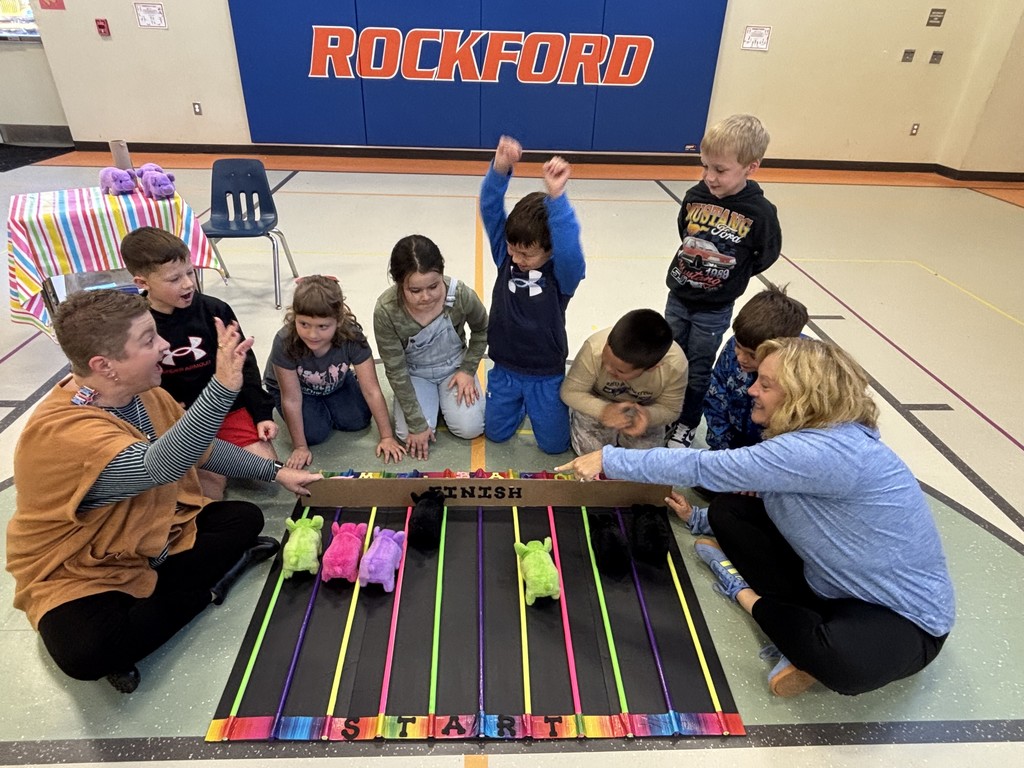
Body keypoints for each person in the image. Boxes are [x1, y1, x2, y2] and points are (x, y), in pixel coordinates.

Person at [557, 338, 954, 698]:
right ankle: (798, 633)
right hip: (828, 581)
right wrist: (698, 517)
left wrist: (610, 458)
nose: (751, 390)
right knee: (730, 511)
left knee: (843, 667)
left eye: (765, 384)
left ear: (802, 394)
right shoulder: (813, 437)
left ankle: (744, 594)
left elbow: (702, 467)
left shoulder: (822, 451)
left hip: (900, 617)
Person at [6, 290, 320, 694]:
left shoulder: (146, 393)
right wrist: (223, 385)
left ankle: (157, 608)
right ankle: (203, 593)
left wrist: (275, 472)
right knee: (86, 654)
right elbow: (163, 464)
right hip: (81, 566)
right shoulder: (65, 434)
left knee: (244, 518)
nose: (164, 346)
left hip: (155, 535)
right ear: (105, 366)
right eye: (149, 340)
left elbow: (201, 447)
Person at [121, 226, 279, 500]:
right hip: (180, 419)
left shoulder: (215, 310)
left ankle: (219, 459)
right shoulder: (136, 323)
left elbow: (246, 366)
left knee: (265, 470)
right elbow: (137, 383)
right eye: (174, 279)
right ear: (142, 282)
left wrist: (261, 413)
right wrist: (166, 411)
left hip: (229, 410)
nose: (187, 284)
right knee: (208, 488)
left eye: (190, 272)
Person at [664, 114, 782, 449]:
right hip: (678, 296)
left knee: (699, 368)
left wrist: (730, 277)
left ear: (750, 167)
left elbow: (766, 253)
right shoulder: (695, 195)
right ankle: (668, 412)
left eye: (720, 170)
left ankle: (686, 423)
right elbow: (684, 232)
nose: (709, 177)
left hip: (714, 308)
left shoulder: (759, 212)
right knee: (671, 358)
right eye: (705, 167)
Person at [480, 135, 586, 455]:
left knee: (554, 446)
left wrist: (557, 197)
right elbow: (490, 208)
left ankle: (538, 408)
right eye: (512, 250)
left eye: (526, 254)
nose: (516, 259)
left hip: (546, 375)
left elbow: (569, 247)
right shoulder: (506, 258)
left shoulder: (561, 275)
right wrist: (500, 168)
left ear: (549, 251)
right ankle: (517, 407)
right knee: (496, 435)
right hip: (504, 368)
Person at [264, 275, 404, 469]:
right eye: (303, 324)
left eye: (322, 326)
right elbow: (291, 399)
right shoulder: (284, 341)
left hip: (334, 381)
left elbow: (371, 389)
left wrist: (387, 436)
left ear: (338, 321)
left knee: (359, 420)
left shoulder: (352, 335)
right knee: (314, 434)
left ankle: (340, 385)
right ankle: (322, 407)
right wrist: (300, 447)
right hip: (295, 389)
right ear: (294, 316)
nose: (312, 334)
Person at [373, 235, 488, 460]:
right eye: (415, 291)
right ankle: (430, 408)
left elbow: (482, 330)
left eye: (434, 286)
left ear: (442, 274)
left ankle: (442, 405)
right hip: (414, 372)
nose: (426, 297)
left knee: (470, 428)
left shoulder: (461, 294)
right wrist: (416, 422)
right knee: (408, 434)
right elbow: (396, 371)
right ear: (399, 284)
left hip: (454, 369)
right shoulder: (386, 311)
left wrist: (467, 369)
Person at [560, 308, 687, 455]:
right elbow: (570, 391)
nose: (608, 369)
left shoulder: (675, 366)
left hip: (644, 407)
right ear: (608, 342)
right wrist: (602, 410)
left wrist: (648, 417)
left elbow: (671, 409)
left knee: (644, 460)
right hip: (597, 399)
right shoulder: (595, 346)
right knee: (590, 452)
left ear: (651, 368)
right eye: (605, 360)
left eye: (619, 371)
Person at [703, 283, 807, 451]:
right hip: (729, 444)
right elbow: (716, 393)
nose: (740, 358)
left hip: (771, 452)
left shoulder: (805, 369)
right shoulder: (734, 347)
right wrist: (721, 444)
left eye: (752, 355)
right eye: (738, 346)